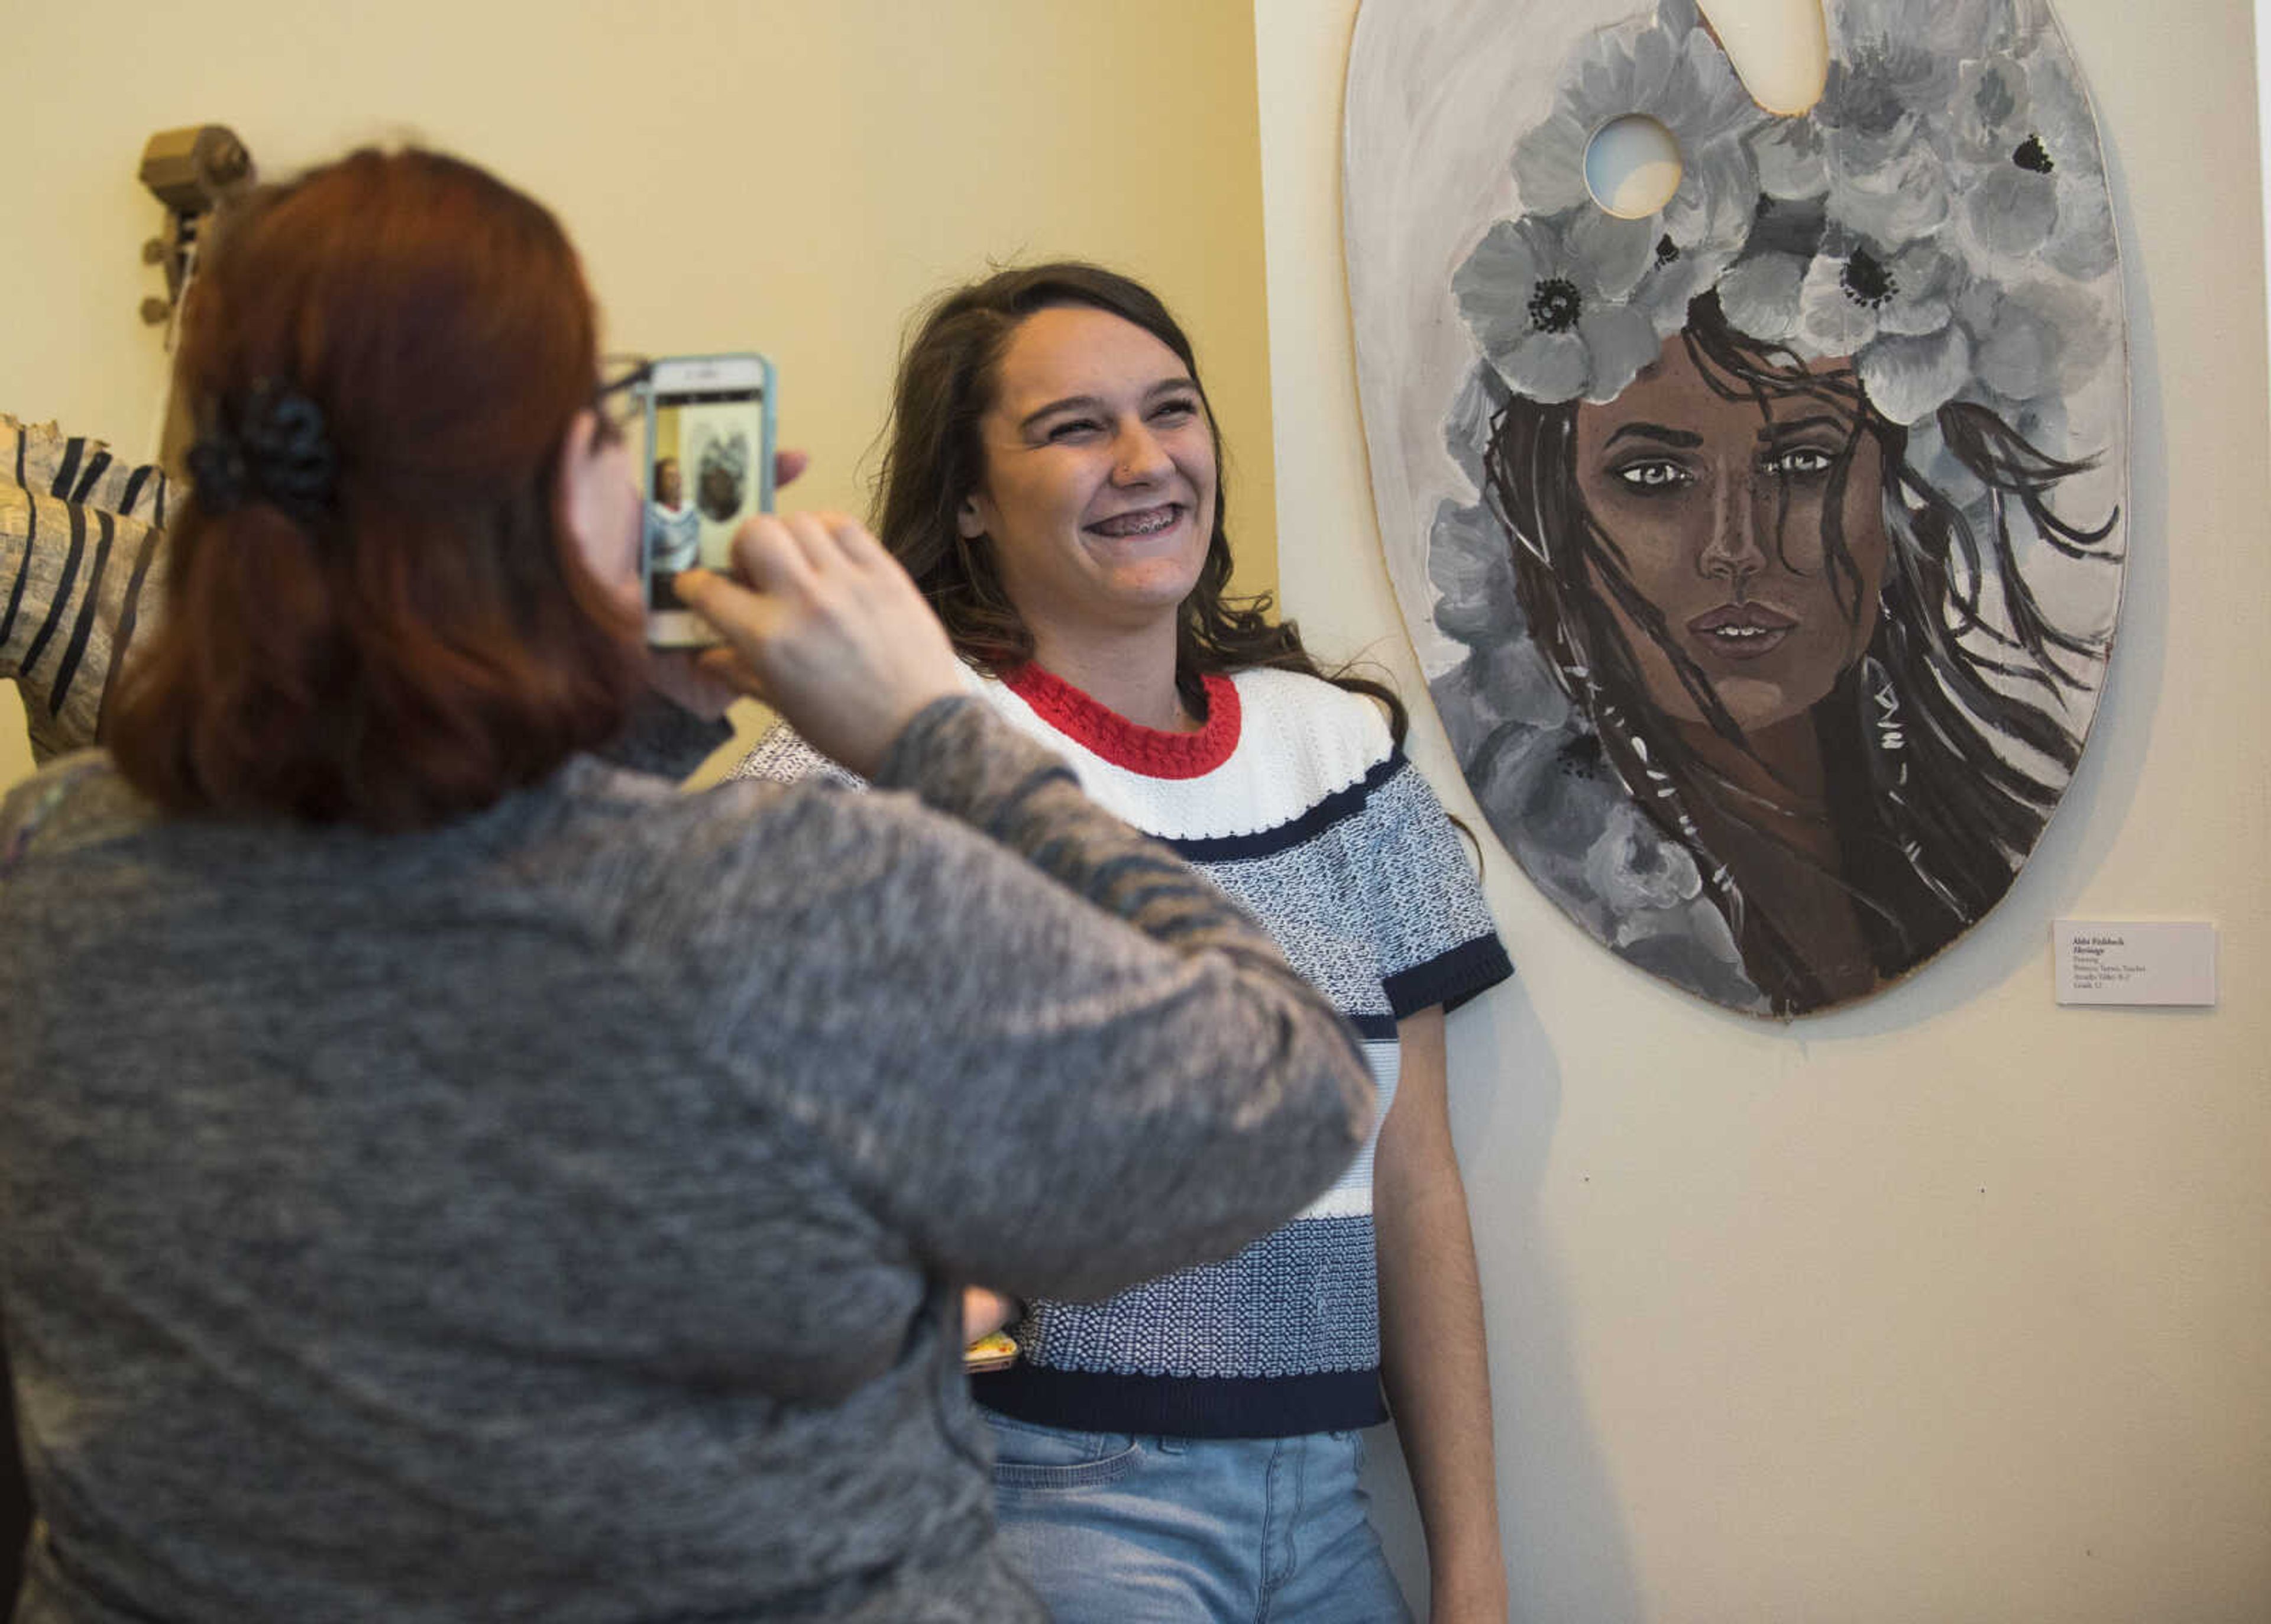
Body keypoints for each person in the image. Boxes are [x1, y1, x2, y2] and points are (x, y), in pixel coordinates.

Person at [0, 150, 1379, 1623]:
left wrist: (640, 716)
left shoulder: (51, 873)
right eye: (599, 407)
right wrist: (940, 735)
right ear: (534, 496)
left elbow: (460, 887)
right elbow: (1289, 1089)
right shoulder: (788, 898)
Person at [740, 263, 1513, 1622]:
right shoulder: (885, 747)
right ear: (968, 498)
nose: (1145, 459)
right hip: (1050, 1500)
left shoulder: (1335, 754)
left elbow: (1415, 1181)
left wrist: (1470, 1562)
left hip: (1328, 1502)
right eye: (1074, 427)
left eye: (1171, 410)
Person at [1431, 0, 2122, 1015]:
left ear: (1896, 481)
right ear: (1554, 517)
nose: (1734, 549)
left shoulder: (1959, 845)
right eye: (1656, 478)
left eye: (1801, 463)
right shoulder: (1535, 854)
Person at [643, 452, 699, 607]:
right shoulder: (652, 515)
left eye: (678, 476)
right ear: (659, 483)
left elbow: (696, 552)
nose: (677, 481)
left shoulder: (691, 512)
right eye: (670, 476)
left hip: (689, 587)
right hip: (662, 590)